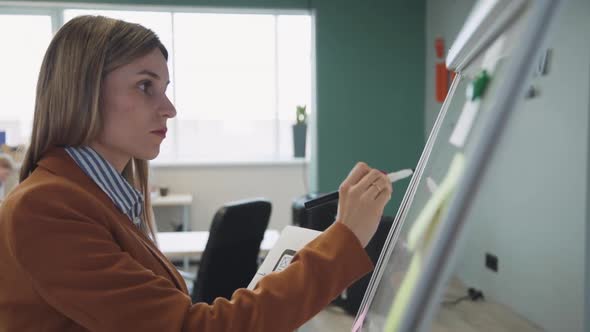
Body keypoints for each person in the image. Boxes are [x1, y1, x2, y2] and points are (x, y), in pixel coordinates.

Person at [0, 16, 393, 332]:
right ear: (82, 92)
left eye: (164, 88)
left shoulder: (96, 198)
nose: (168, 108)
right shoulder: (46, 207)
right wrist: (346, 238)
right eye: (144, 86)